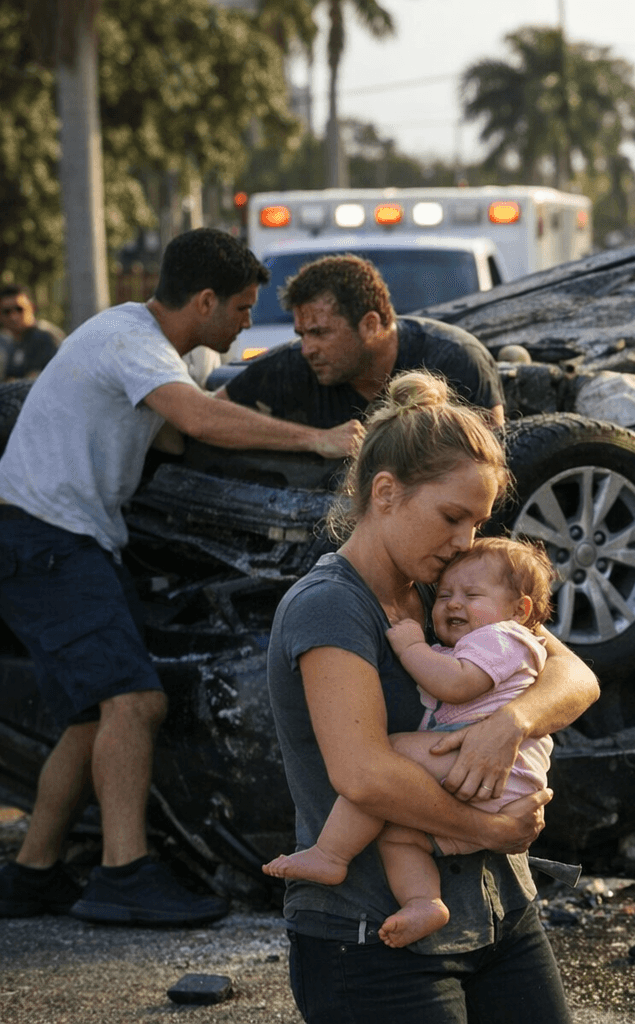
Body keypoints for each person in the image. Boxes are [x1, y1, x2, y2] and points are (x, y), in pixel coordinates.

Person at [0, 227, 364, 926]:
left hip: (73, 538)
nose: (249, 322)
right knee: (135, 703)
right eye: (243, 307)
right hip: (45, 538)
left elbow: (177, 431)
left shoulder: (178, 352)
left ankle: (31, 874)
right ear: (204, 301)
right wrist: (317, 440)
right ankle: (124, 875)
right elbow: (194, 420)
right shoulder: (129, 339)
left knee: (92, 718)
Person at [267, 370, 597, 1022]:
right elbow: (363, 774)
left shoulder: (446, 588)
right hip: (376, 938)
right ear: (386, 493)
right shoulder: (331, 606)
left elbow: (575, 676)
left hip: (502, 914)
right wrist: (492, 829)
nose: (465, 542)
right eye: (452, 517)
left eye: (477, 522)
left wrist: (510, 723)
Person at [262, 536, 557, 949]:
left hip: (498, 773)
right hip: (494, 788)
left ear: (520, 610)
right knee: (401, 837)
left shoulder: (506, 637)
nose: (453, 604)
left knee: (394, 753)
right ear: (385, 498)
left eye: (471, 596)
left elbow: (454, 684)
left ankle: (331, 853)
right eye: (445, 595)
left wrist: (412, 646)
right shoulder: (330, 602)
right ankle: (424, 902)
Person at [218, 254, 505, 428]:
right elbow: (210, 414)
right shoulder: (293, 365)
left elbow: (491, 465)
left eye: (320, 333)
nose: (307, 350)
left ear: (370, 325)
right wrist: (313, 440)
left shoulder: (455, 360)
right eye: (302, 334)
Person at [0, 284, 64, 380]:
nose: (13, 317)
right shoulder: (8, 340)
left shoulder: (45, 336)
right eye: (7, 311)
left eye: (19, 309)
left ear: (32, 308)